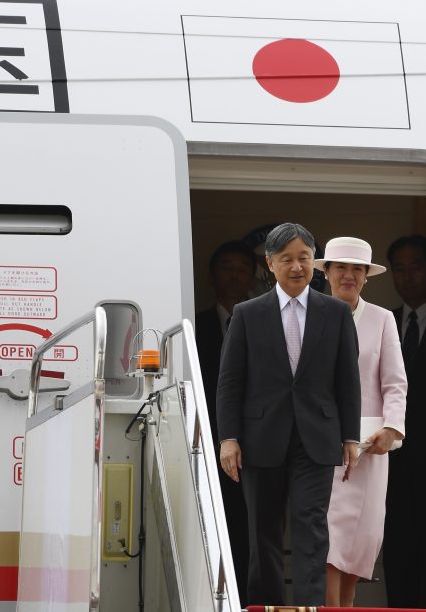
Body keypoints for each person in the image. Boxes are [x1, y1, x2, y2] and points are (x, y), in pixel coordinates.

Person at [216, 222, 361, 606]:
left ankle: (311, 605)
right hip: (260, 438)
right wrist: (228, 438)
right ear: (269, 263)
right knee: (263, 531)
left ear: (314, 262)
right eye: (287, 259)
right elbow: (230, 381)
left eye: (304, 258)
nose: (297, 267)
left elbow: (348, 381)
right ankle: (266, 604)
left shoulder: (336, 313)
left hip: (317, 437)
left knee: (311, 528)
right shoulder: (247, 314)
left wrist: (351, 437)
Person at [316, 237, 407, 606]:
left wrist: (392, 427)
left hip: (369, 448)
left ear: (367, 277)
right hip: (320, 444)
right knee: (328, 538)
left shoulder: (383, 319)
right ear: (326, 273)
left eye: (358, 269)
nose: (349, 275)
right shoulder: (309, 315)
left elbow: (395, 382)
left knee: (362, 539)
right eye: (341, 267)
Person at [194, 240, 256, 602]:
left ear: (252, 278)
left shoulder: (269, 325)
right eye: (226, 267)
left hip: (256, 447)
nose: (234, 275)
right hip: (205, 443)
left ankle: (246, 602)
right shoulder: (194, 322)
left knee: (251, 534)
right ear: (211, 276)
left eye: (242, 268)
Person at [383, 234, 426, 608]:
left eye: (415, 267)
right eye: (399, 269)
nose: (407, 277)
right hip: (391, 463)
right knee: (397, 552)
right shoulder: (385, 321)